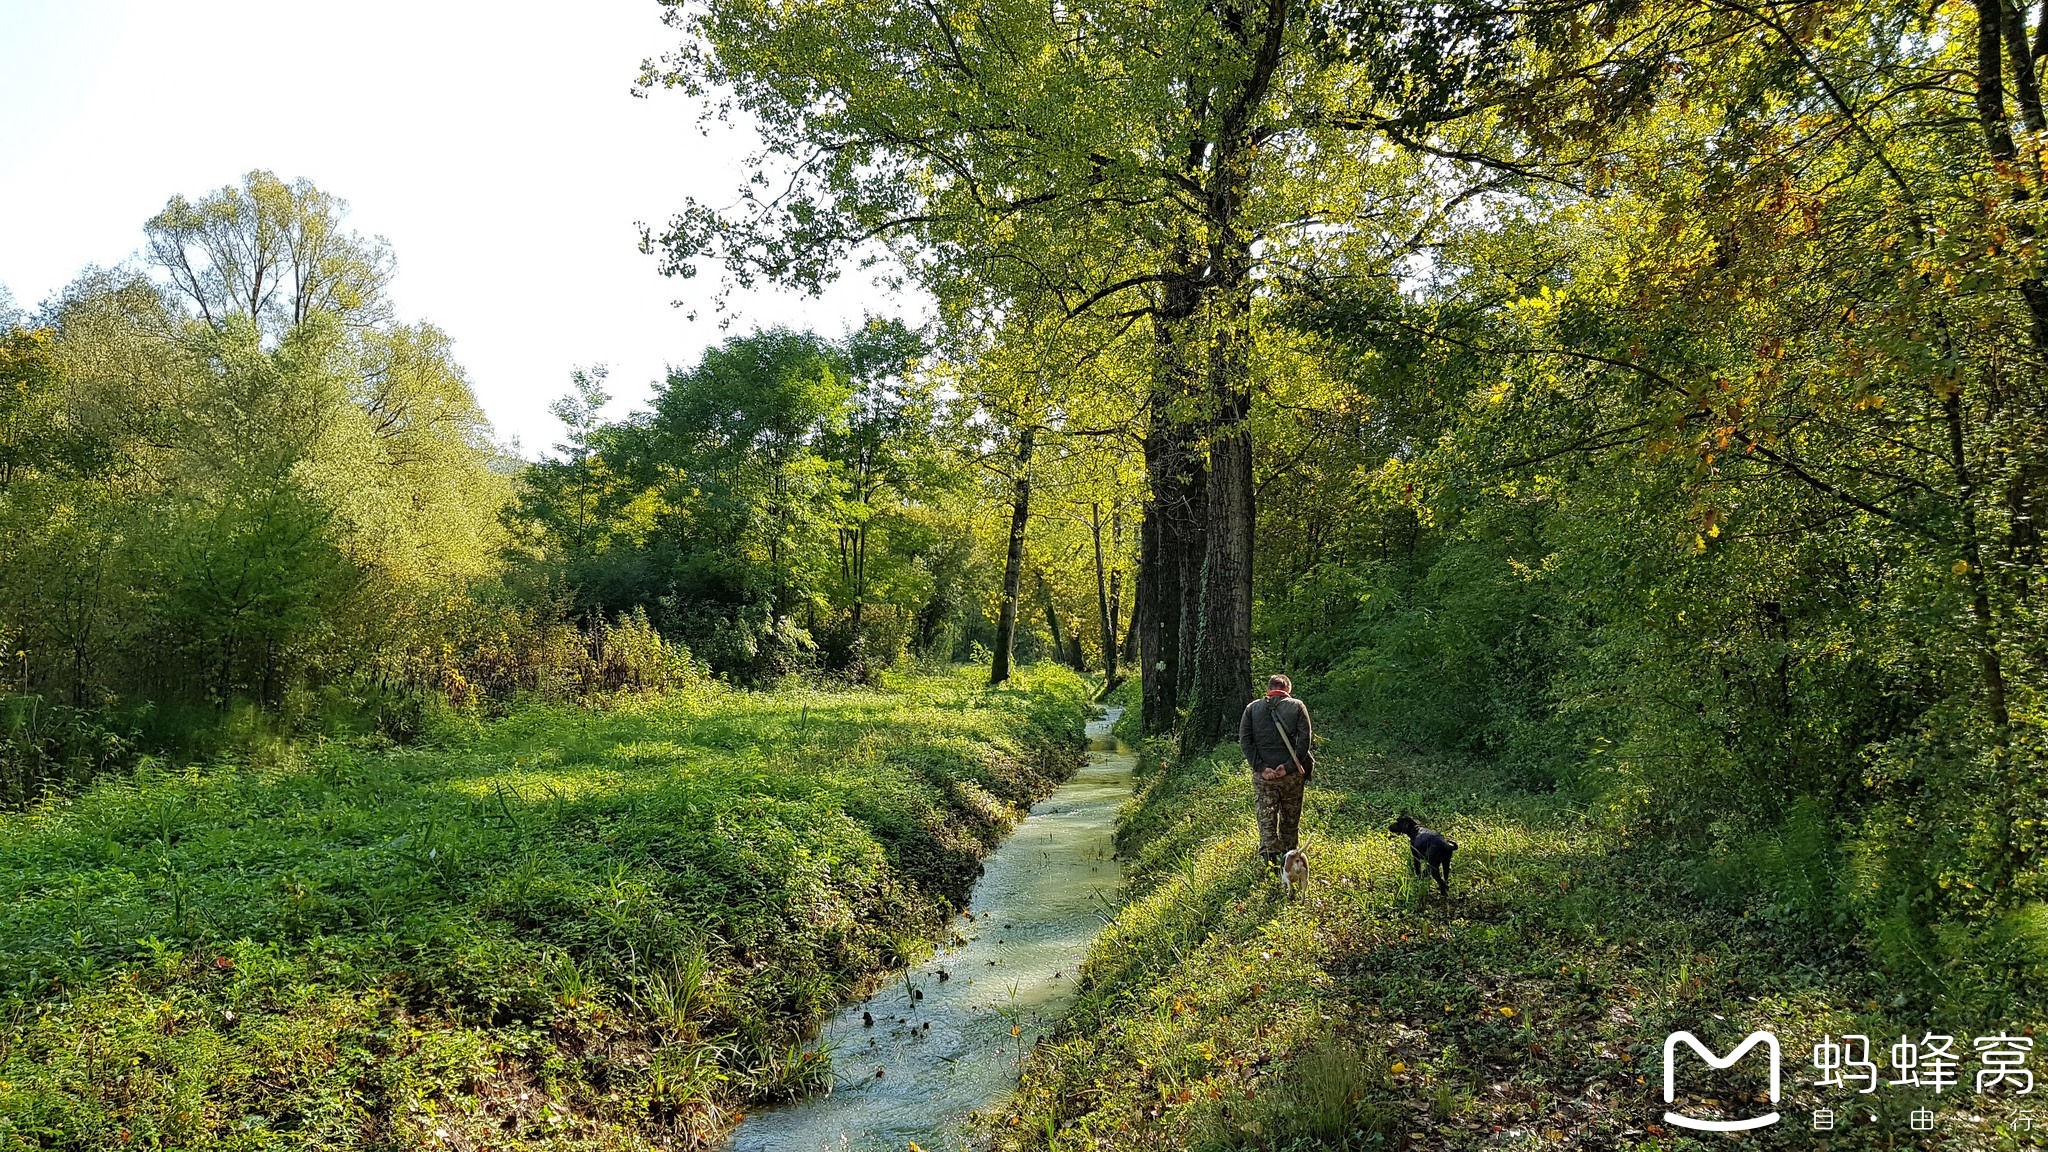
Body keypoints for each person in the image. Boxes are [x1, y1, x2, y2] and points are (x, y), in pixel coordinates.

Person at [1239, 673, 1313, 869]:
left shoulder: (1252, 708)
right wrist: (1288, 767)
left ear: (1268, 689)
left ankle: (1270, 859)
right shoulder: (1297, 706)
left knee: (1266, 817)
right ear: (1288, 689)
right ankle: (1290, 858)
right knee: (1290, 818)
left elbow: (1245, 741)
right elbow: (1305, 741)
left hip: (1264, 777)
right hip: (1291, 777)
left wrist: (1261, 768)